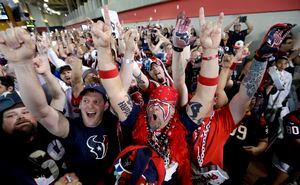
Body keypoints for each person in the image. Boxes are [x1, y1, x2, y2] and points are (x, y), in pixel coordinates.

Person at [0, 27, 120, 185]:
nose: (90, 105)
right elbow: (41, 112)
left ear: (105, 106)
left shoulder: (114, 121)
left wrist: (107, 50)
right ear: (79, 105)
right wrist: (22, 64)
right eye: (86, 101)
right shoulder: (71, 127)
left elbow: (118, 91)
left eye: (96, 101)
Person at [0, 92, 67, 185]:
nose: (20, 117)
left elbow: (58, 96)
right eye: (11, 115)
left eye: (26, 112)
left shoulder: (50, 127)